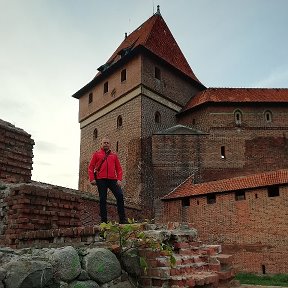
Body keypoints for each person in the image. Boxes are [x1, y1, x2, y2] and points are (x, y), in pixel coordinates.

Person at [88, 137, 127, 224]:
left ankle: (122, 219)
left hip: (113, 179)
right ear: (101, 144)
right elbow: (91, 167)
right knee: (103, 199)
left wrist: (119, 179)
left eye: (107, 143)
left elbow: (119, 169)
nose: (106, 144)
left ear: (110, 145)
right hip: (101, 179)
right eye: (104, 143)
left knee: (120, 196)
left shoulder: (114, 156)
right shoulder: (96, 154)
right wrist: (92, 178)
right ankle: (104, 221)